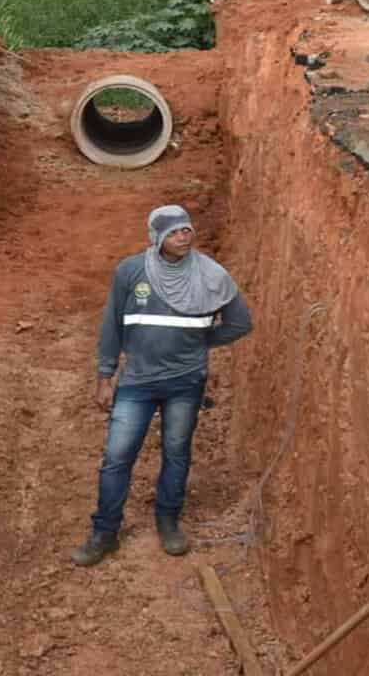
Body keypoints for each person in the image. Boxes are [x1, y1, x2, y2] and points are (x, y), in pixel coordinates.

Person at [74, 206, 252, 567]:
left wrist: (200, 342)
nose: (183, 237)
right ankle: (104, 532)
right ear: (156, 238)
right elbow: (111, 327)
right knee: (116, 457)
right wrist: (105, 376)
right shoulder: (130, 272)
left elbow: (240, 322)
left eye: (187, 230)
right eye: (174, 232)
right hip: (137, 381)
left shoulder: (211, 275)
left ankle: (168, 522)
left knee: (176, 451)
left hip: (185, 384)